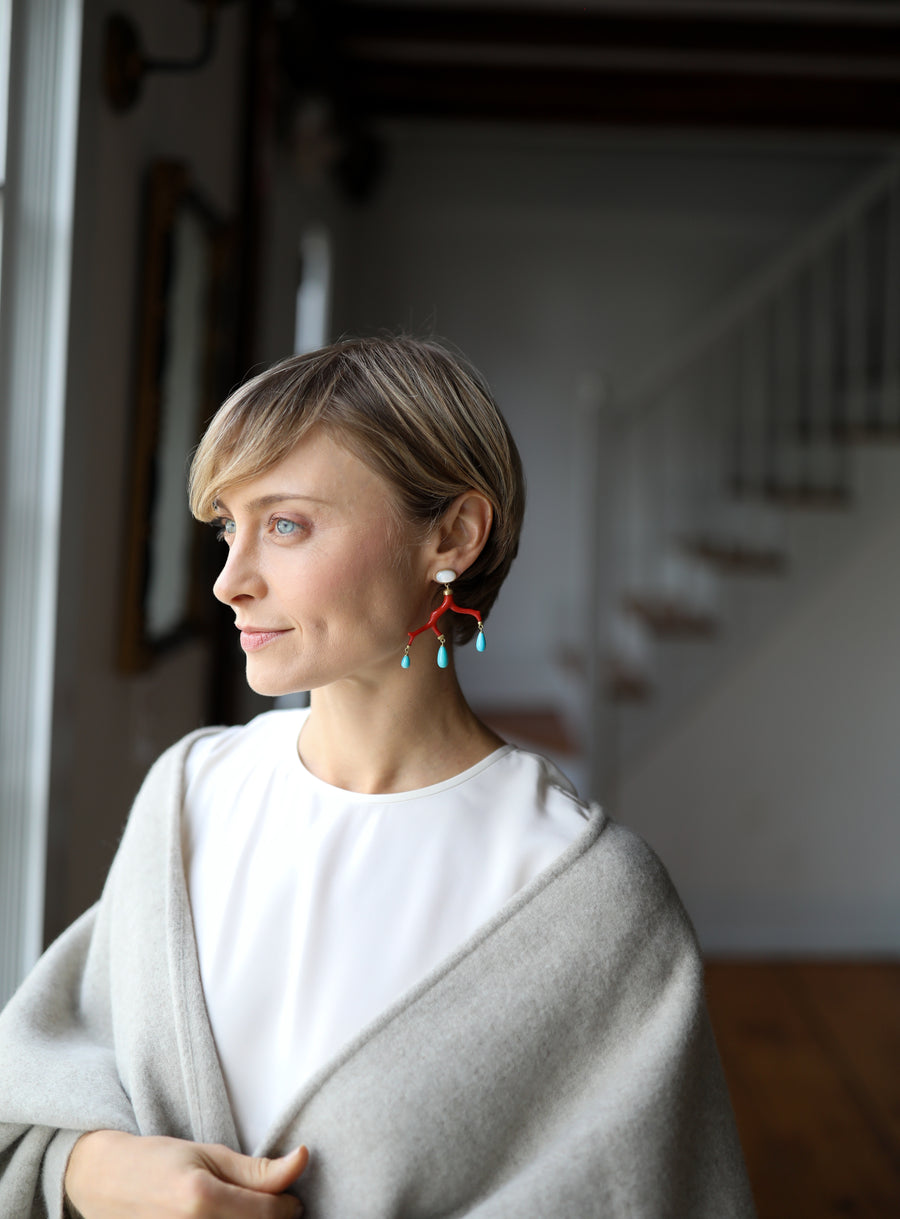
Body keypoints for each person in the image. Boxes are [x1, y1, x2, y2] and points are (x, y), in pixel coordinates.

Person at [0, 336, 755, 1218]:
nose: (230, 582)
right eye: (225, 529)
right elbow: (43, 1077)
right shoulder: (188, 795)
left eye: (284, 524)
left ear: (452, 535)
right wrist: (88, 1166)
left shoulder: (590, 901)